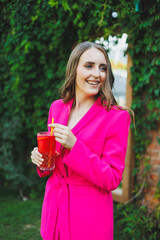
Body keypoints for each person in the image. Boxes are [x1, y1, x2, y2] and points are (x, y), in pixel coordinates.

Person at [31, 41, 131, 240]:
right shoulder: (57, 108)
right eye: (89, 66)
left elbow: (112, 178)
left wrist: (75, 146)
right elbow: (53, 163)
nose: (97, 74)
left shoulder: (116, 117)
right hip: (54, 211)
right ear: (74, 68)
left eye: (103, 68)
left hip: (88, 220)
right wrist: (42, 160)